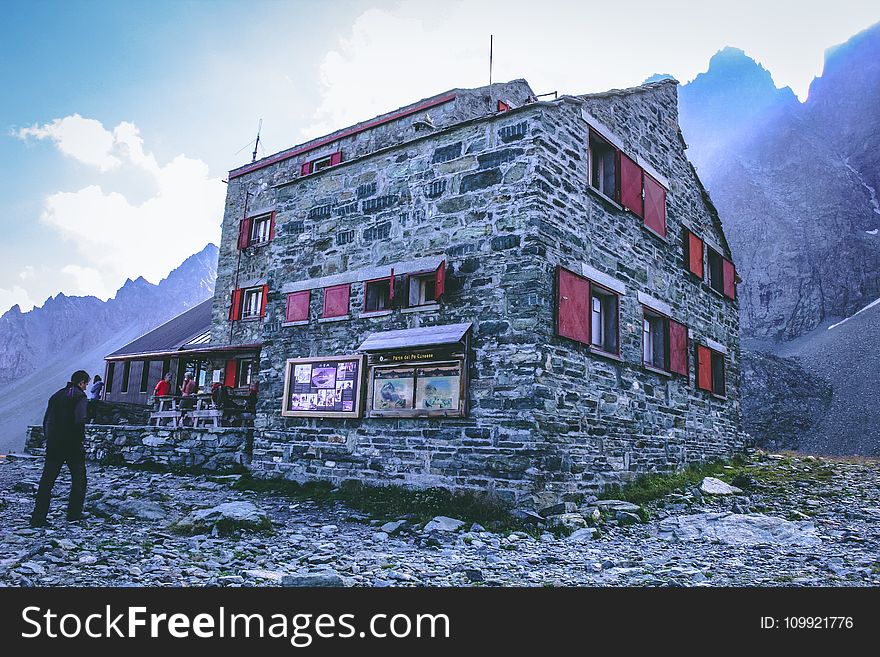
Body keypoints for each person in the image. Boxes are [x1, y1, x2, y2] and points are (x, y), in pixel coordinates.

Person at [30, 370, 91, 527]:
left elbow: (47, 420)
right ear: (81, 382)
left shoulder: (56, 395)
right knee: (79, 478)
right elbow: (80, 420)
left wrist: (49, 439)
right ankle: (74, 513)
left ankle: (38, 517)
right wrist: (80, 441)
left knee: (47, 481)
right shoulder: (80, 397)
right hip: (72, 446)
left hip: (54, 444)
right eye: (86, 384)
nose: (86, 387)